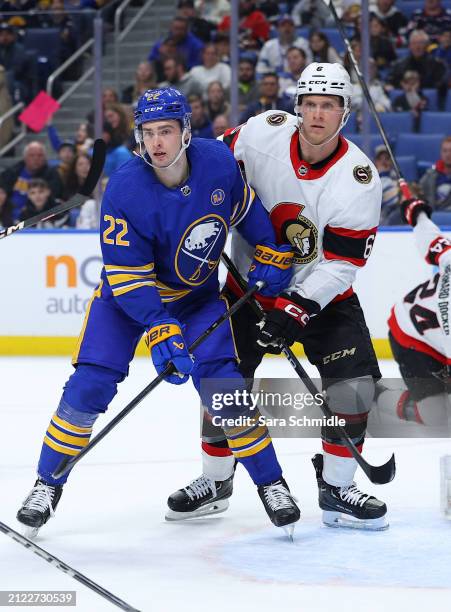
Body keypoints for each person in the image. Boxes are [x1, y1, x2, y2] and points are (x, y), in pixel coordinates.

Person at [16, 87, 301, 538]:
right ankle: (46, 484)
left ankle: (272, 483)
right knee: (90, 384)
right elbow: (129, 280)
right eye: (148, 133)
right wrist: (159, 328)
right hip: (126, 304)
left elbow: (242, 207)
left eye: (166, 131)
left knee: (224, 385)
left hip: (196, 300)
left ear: (186, 132)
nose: (157, 143)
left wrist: (271, 246)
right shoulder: (125, 190)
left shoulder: (217, 163)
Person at [169, 63, 389, 531]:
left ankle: (337, 488)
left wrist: (300, 304)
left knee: (353, 387)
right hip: (247, 288)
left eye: (328, 106)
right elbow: (209, 166)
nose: (317, 113)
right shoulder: (261, 133)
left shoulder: (358, 178)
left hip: (321, 298)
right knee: (222, 387)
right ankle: (216, 480)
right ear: (297, 107)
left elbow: (342, 262)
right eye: (310, 103)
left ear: (343, 114)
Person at [374, 197, 451, 438]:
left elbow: (432, 241)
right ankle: (373, 396)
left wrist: (416, 213)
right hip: (410, 337)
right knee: (437, 417)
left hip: (435, 334)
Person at [0, 141, 63, 222]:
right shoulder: (12, 172)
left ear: (45, 158)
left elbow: (53, 197)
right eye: (32, 155)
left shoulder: (52, 174)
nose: (36, 158)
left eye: (40, 155)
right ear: (25, 157)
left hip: (38, 216)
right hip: (8, 214)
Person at [419, 135, 451, 211]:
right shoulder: (430, 175)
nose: (448, 154)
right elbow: (419, 192)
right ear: (441, 153)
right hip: (432, 215)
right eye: (445, 151)